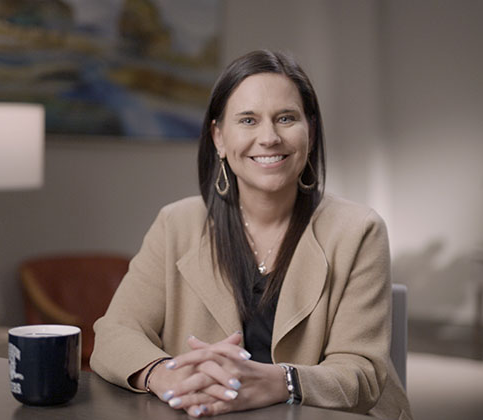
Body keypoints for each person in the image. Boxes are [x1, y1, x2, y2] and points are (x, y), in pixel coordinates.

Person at [90, 50, 412, 419]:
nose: (269, 137)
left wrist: (281, 381)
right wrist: (165, 375)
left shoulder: (358, 230)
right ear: (219, 138)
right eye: (248, 120)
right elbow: (115, 334)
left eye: (286, 118)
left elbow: (362, 374)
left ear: (311, 130)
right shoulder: (175, 223)